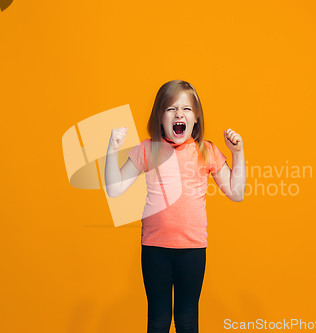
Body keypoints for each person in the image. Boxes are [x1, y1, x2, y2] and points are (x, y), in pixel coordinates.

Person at [104, 80, 246, 333]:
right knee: (158, 320)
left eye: (186, 109)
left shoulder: (207, 151)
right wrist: (112, 150)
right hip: (154, 249)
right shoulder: (148, 150)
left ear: (196, 120)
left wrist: (238, 153)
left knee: (187, 319)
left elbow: (236, 193)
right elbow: (115, 189)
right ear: (160, 118)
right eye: (171, 108)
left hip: (192, 249)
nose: (179, 113)